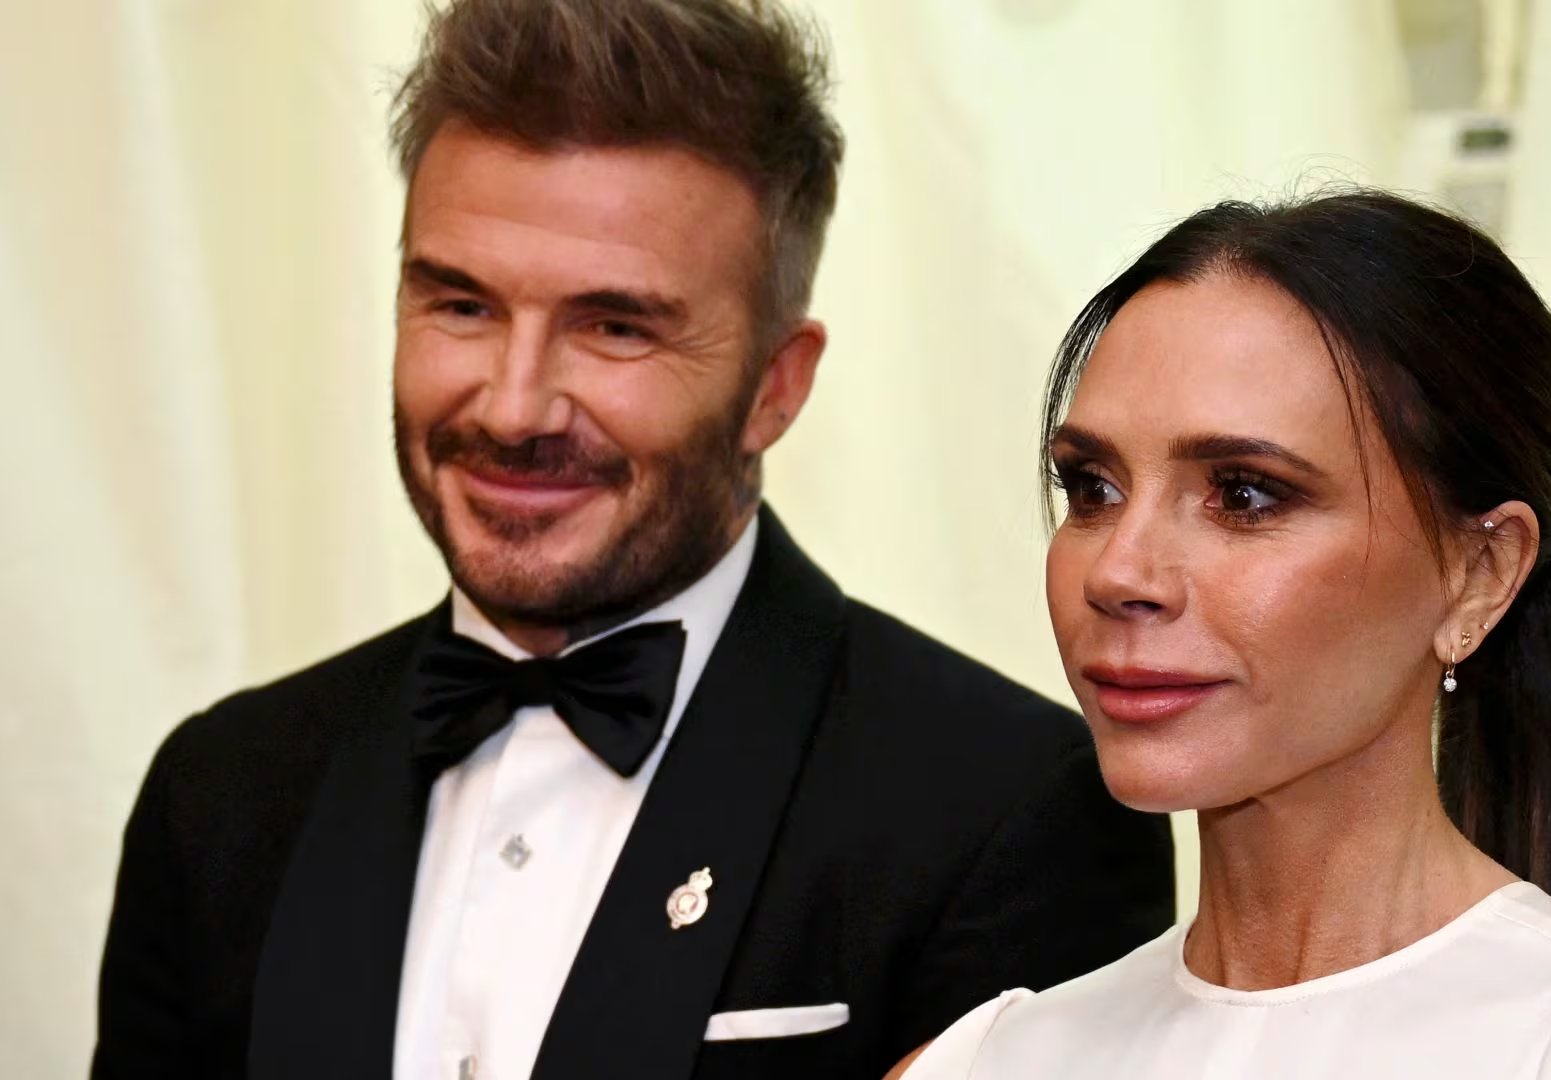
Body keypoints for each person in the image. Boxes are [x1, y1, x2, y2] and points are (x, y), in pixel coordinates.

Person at [91, 2, 1174, 1077]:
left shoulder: (1008, 812)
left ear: (775, 387)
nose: (514, 408)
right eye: (462, 306)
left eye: (614, 327)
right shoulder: (221, 793)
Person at [890, 191, 1551, 1079]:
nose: (1119, 573)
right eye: (1093, 487)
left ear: (1480, 573)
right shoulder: (972, 1065)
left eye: (1243, 494)